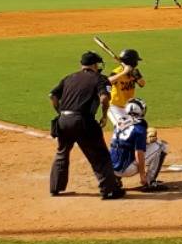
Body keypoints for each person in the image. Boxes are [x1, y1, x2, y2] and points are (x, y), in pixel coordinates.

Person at [48, 51, 125, 198]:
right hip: (83, 121)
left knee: (62, 153)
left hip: (63, 121)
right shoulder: (100, 78)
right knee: (100, 155)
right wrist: (103, 115)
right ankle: (109, 190)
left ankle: (55, 188)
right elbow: (104, 99)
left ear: (81, 65)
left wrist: (60, 112)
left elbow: (52, 96)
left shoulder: (69, 77)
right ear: (95, 65)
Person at [107, 48, 145, 130]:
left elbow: (142, 84)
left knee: (133, 129)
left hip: (129, 108)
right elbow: (107, 82)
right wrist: (123, 72)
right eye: (136, 61)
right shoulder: (117, 72)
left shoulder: (134, 72)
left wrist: (136, 75)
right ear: (132, 61)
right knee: (122, 129)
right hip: (115, 107)